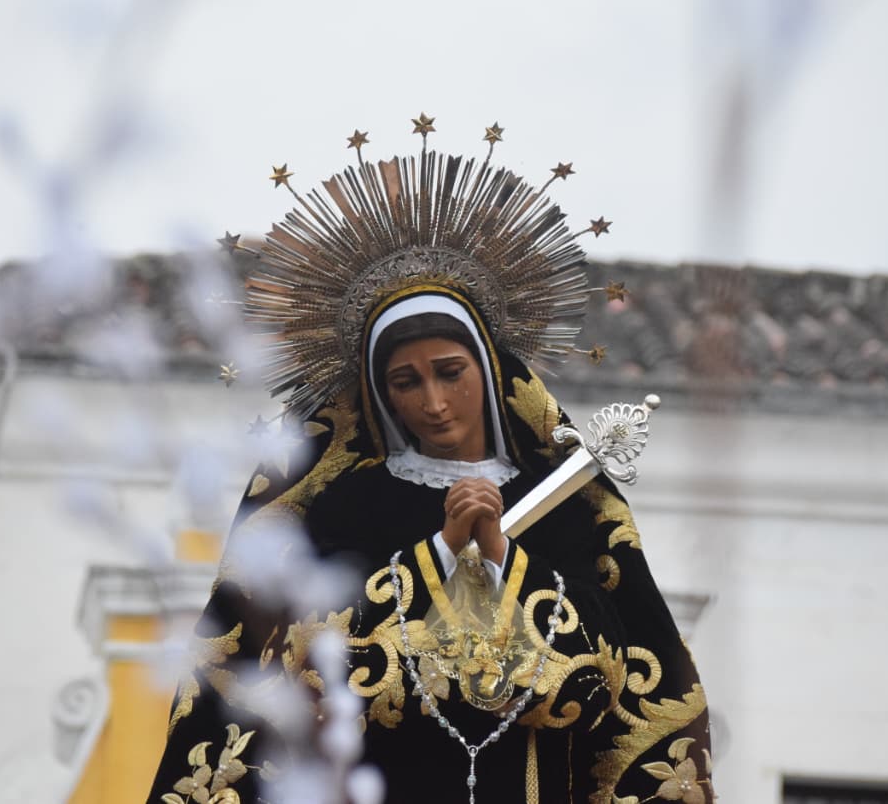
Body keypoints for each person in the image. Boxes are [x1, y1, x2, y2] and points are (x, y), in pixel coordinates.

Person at [147, 124, 716, 804]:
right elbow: (294, 672)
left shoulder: (565, 505)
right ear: (378, 393)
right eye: (406, 382)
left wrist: (503, 558)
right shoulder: (342, 508)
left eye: (451, 372)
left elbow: (616, 684)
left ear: (489, 367)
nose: (435, 402)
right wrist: (441, 555)